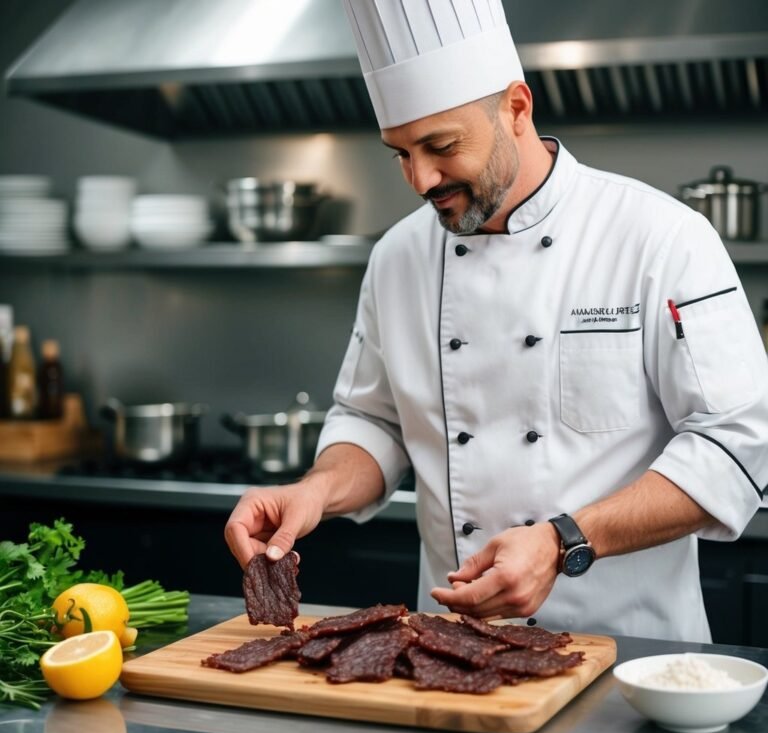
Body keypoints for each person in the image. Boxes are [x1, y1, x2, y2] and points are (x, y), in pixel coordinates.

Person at [225, 0, 768, 642]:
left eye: (441, 145)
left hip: (632, 657)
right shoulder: (398, 257)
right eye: (399, 153)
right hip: (451, 654)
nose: (420, 178)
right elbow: (375, 422)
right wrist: (316, 491)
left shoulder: (660, 238)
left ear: (516, 108)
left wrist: (564, 541)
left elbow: (738, 443)